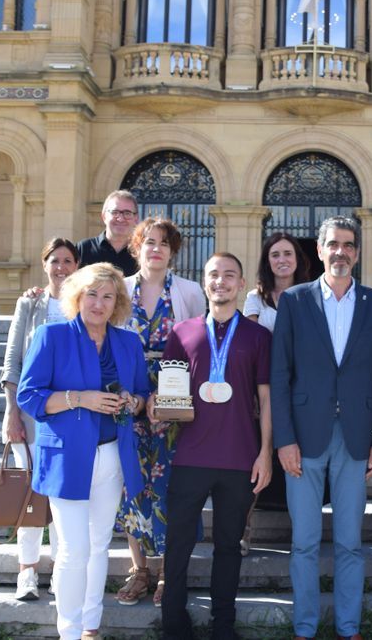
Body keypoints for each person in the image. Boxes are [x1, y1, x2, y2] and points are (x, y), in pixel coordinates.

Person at [270, 216, 372, 640]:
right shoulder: (295, 301)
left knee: (349, 543)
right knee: (304, 541)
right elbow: (280, 373)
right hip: (303, 438)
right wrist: (283, 439)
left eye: (348, 245)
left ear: (357, 252)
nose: (340, 252)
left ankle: (348, 627)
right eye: (333, 244)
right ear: (319, 251)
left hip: (356, 438)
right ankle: (304, 629)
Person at [16, 263, 150, 640]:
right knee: (74, 549)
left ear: (118, 303)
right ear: (76, 297)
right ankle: (69, 631)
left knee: (100, 545)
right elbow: (29, 395)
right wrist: (81, 399)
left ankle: (91, 626)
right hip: (67, 459)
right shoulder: (52, 335)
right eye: (92, 294)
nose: (99, 303)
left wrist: (131, 402)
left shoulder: (127, 342)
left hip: (112, 456)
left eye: (108, 296)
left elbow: (141, 395)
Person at [159, 252, 273, 640]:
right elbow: (169, 393)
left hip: (240, 457)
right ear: (204, 282)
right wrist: (162, 408)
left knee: (228, 546)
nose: (220, 281)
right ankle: (173, 623)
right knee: (177, 544)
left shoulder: (259, 336)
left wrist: (265, 454)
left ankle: (222, 626)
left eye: (229, 275)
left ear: (242, 285)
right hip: (189, 455)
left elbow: (267, 399)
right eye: (213, 275)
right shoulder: (182, 332)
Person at [115, 218, 207, 606]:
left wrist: (169, 397)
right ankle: (140, 569)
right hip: (127, 397)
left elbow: (200, 347)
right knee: (131, 483)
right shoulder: (118, 289)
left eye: (164, 243)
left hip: (176, 397)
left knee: (172, 485)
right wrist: (136, 395)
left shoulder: (189, 291)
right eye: (149, 242)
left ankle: (170, 571)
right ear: (137, 247)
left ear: (173, 251)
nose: (156, 248)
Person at [0, 237, 78, 601]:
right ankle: (27, 572)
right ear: (44, 264)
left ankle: (62, 574)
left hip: (70, 416)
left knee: (61, 497)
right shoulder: (30, 303)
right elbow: (13, 360)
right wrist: (11, 412)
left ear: (76, 266)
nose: (61, 267)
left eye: (67, 261)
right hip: (31, 414)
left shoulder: (83, 303)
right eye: (54, 260)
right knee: (29, 495)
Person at [239, 232, 312, 554]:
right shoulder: (256, 298)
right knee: (255, 454)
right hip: (263, 387)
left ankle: (304, 534)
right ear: (267, 261)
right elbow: (251, 342)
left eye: (287, 254)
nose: (281, 260)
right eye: (274, 255)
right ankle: (242, 528)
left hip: (302, 389)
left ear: (298, 259)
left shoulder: (312, 296)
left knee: (300, 459)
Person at [76, 190, 141, 276]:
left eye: (127, 213)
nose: (120, 219)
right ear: (104, 216)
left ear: (136, 218)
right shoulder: (83, 249)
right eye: (115, 212)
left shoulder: (141, 253)